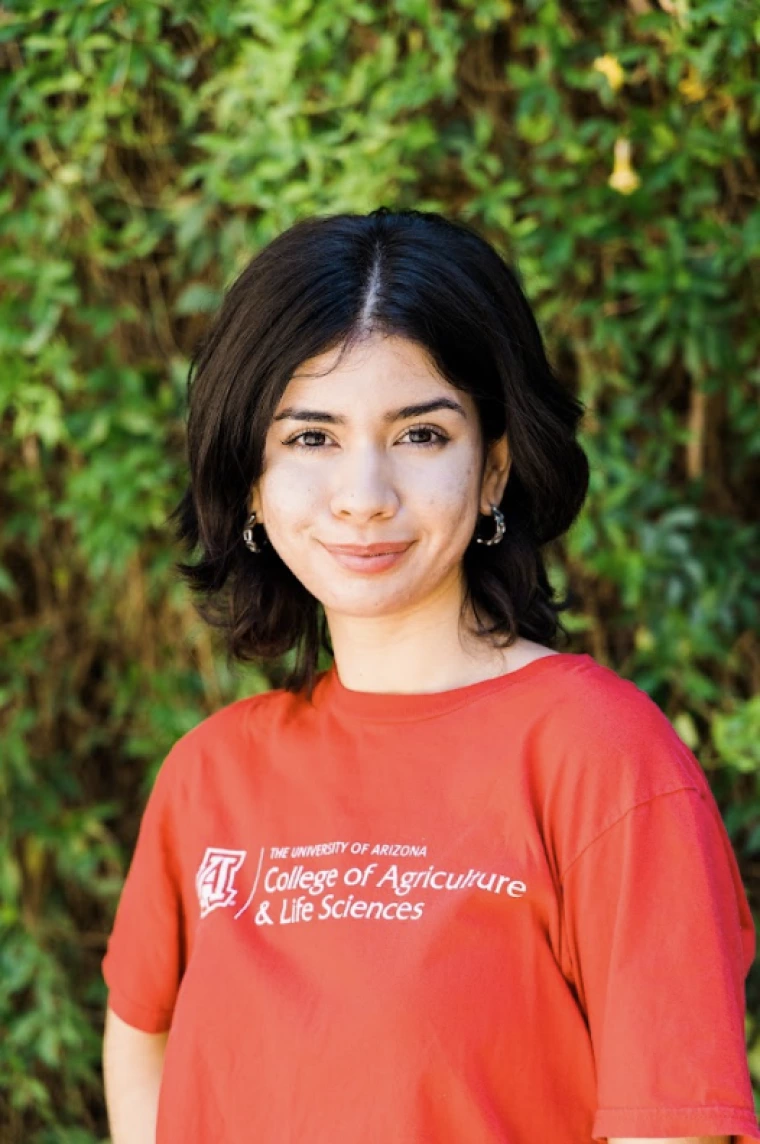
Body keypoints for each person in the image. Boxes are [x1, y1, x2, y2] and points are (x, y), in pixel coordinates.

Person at [101, 208, 760, 1144]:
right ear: (250, 479)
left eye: (419, 435)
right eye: (311, 438)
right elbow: (142, 1030)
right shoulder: (209, 773)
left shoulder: (602, 760)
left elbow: (673, 1128)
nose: (364, 497)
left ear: (493, 470)